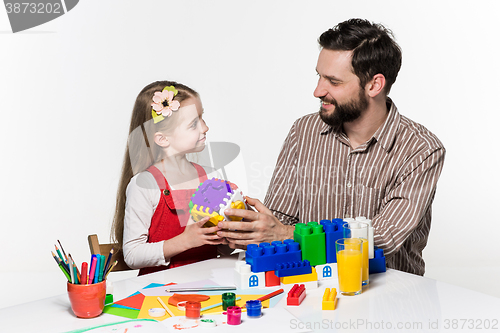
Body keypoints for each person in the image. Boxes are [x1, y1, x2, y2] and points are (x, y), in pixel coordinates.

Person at [217, 19, 445, 276]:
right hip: (309, 287)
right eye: (319, 76)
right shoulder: (303, 131)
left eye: (333, 82)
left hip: (388, 294)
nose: (317, 91)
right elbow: (279, 222)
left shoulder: (422, 149)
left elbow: (382, 238)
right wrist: (246, 228)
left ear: (374, 85)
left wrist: (283, 233)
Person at [111, 81, 227, 275]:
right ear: (163, 139)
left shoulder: (211, 177)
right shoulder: (145, 184)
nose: (205, 128)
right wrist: (185, 241)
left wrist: (230, 233)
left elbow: (222, 250)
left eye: (202, 118)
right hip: (159, 294)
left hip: (209, 287)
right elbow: (132, 255)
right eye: (193, 124)